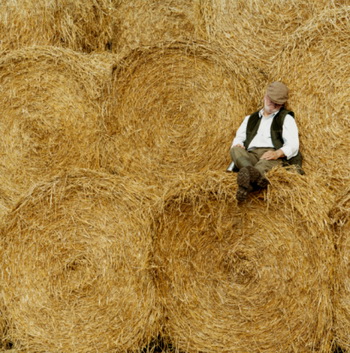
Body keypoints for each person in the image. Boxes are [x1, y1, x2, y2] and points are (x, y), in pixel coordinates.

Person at [229, 81, 302, 202]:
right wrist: (239, 144)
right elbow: (239, 138)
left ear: (282, 104)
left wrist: (277, 154)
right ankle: (254, 175)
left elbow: (293, 144)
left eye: (277, 104)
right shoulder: (250, 118)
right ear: (265, 96)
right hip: (251, 155)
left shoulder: (286, 118)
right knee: (235, 150)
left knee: (263, 164)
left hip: (270, 155)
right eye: (271, 101)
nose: (272, 105)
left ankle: (247, 184)